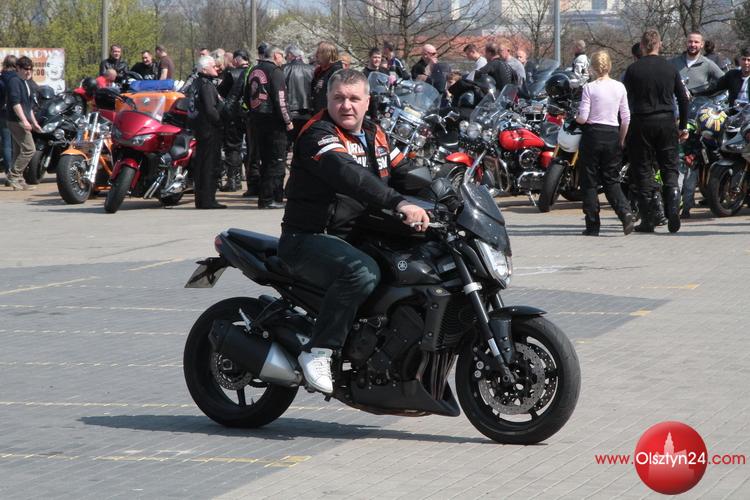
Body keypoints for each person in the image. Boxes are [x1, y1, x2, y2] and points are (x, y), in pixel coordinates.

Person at [278, 69, 430, 393]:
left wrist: (449, 195)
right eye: (339, 98)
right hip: (310, 238)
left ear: (367, 101)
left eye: (353, 98)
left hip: (355, 236)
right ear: (328, 100)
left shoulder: (375, 134)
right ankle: (319, 350)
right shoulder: (318, 134)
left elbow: (406, 172)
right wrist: (399, 203)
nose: (346, 105)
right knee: (362, 272)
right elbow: (349, 175)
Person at [623, 29, 689, 234]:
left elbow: (623, 100)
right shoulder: (670, 68)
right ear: (659, 44)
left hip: (641, 121)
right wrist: (683, 126)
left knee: (643, 169)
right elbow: (683, 98)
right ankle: (673, 204)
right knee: (669, 166)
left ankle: (648, 218)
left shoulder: (633, 70)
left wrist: (622, 127)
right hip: (666, 121)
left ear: (642, 46)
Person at [575, 50, 634, 236]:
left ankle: (592, 224)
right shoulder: (619, 87)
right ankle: (625, 213)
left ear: (592, 67)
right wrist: (621, 139)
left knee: (589, 181)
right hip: (612, 134)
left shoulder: (589, 88)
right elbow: (626, 118)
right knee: (611, 179)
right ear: (609, 66)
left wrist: (576, 118)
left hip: (592, 135)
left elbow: (584, 117)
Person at [246, 45, 293, 209]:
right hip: (274, 121)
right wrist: (287, 120)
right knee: (276, 160)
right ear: (275, 55)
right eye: (282, 56)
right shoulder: (275, 72)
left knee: (265, 160)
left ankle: (271, 197)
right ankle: (269, 198)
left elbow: (247, 95)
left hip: (257, 119)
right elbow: (281, 99)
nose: (283, 59)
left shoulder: (254, 70)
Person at [191, 55, 225, 209]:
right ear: (204, 69)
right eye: (213, 65)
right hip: (209, 129)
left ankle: (202, 199)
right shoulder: (206, 85)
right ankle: (207, 200)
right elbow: (210, 109)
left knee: (202, 163)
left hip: (201, 128)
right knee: (209, 164)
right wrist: (220, 122)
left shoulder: (197, 82)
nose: (216, 67)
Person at [5, 56, 42, 191]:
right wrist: (25, 121)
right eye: (26, 69)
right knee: (29, 149)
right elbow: (16, 104)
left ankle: (19, 180)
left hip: (22, 120)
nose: (28, 72)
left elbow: (28, 106)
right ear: (18, 68)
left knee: (19, 151)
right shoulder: (14, 81)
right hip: (16, 120)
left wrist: (34, 122)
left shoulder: (26, 82)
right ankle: (13, 176)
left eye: (30, 69)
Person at [217, 49, 250, 193]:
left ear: (236, 60)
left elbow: (221, 92)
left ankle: (233, 180)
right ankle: (249, 179)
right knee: (250, 148)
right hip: (249, 114)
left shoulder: (232, 73)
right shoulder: (253, 71)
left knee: (233, 147)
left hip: (235, 114)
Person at [283, 45, 314, 141]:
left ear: (289, 55)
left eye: (286, 56)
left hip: (289, 112)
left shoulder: (284, 69)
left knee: (288, 142)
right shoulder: (312, 69)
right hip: (308, 110)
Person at [310, 41, 344, 114]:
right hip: (317, 113)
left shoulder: (336, 72)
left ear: (327, 55)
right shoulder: (320, 71)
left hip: (328, 114)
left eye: (319, 53)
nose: (316, 55)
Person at [0, 55, 17, 182]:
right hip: (16, 114)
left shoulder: (1, 78)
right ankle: (17, 173)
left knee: (6, 144)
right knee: (18, 144)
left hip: (2, 114)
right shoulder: (17, 79)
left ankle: (9, 173)